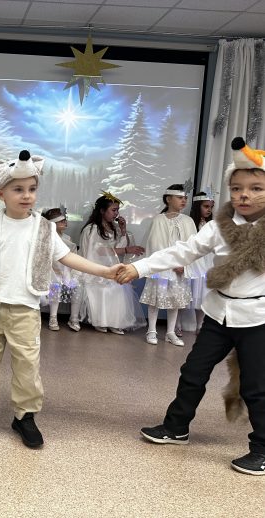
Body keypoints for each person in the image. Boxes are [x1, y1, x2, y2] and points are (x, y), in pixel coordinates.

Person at [0, 151, 124, 448]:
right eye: (18, 189)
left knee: (27, 367)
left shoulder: (44, 228)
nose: (27, 195)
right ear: (1, 193)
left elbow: (68, 257)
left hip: (25, 310)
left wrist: (105, 271)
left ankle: (25, 416)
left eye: (32, 189)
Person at [116, 137, 265, 475]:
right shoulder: (218, 226)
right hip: (218, 314)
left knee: (256, 386)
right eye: (237, 188)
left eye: (256, 188)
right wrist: (139, 268)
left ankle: (262, 449)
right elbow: (182, 251)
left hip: (257, 318)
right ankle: (176, 427)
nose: (244, 195)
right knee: (193, 372)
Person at [76, 193, 146, 334]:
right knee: (104, 288)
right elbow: (98, 251)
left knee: (119, 286)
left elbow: (118, 248)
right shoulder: (92, 229)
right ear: (102, 211)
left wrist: (123, 230)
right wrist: (126, 249)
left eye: (117, 210)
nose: (116, 214)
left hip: (110, 267)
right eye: (113, 210)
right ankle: (100, 321)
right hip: (96, 269)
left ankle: (114, 322)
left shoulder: (113, 228)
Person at [138, 184, 198, 346]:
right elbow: (155, 245)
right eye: (180, 197)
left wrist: (184, 265)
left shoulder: (188, 221)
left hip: (179, 268)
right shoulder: (159, 220)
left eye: (185, 198)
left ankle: (170, 332)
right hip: (162, 268)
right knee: (156, 297)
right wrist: (166, 264)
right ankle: (152, 330)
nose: (183, 201)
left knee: (175, 299)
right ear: (168, 199)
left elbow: (192, 246)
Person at [41, 207, 81, 332]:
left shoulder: (67, 238)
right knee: (55, 285)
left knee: (77, 286)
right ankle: (53, 317)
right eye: (61, 221)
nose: (65, 223)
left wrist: (70, 273)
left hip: (66, 272)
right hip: (51, 272)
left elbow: (72, 257)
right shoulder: (47, 238)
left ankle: (74, 318)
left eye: (65, 220)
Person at [185, 191, 215, 332]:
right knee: (187, 292)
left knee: (203, 293)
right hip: (193, 261)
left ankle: (200, 325)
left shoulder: (211, 225)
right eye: (206, 206)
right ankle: (178, 324)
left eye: (211, 207)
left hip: (207, 263)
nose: (209, 210)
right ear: (198, 206)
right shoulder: (190, 224)